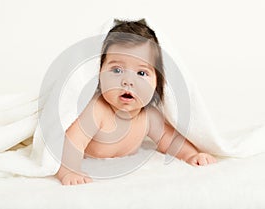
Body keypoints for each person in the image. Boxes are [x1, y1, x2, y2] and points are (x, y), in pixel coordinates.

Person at [56, 19, 217, 186]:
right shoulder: (97, 109)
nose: (128, 81)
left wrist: (191, 155)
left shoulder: (149, 116)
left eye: (141, 72)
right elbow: (73, 141)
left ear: (158, 81)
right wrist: (69, 169)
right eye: (117, 70)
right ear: (98, 72)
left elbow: (171, 140)